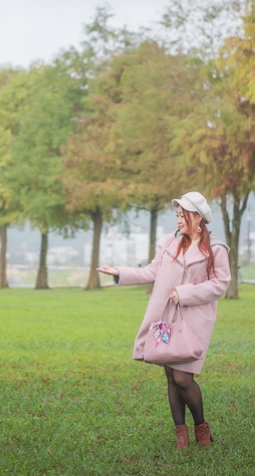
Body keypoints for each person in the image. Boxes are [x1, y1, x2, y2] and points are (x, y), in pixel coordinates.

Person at [98, 191, 231, 448]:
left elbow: (220, 284)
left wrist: (184, 293)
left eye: (183, 215)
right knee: (171, 375)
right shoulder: (171, 241)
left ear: (198, 217)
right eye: (177, 215)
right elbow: (152, 270)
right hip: (164, 318)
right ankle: (180, 434)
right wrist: (119, 273)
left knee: (183, 378)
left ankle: (201, 427)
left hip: (192, 320)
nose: (178, 220)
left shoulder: (215, 248)